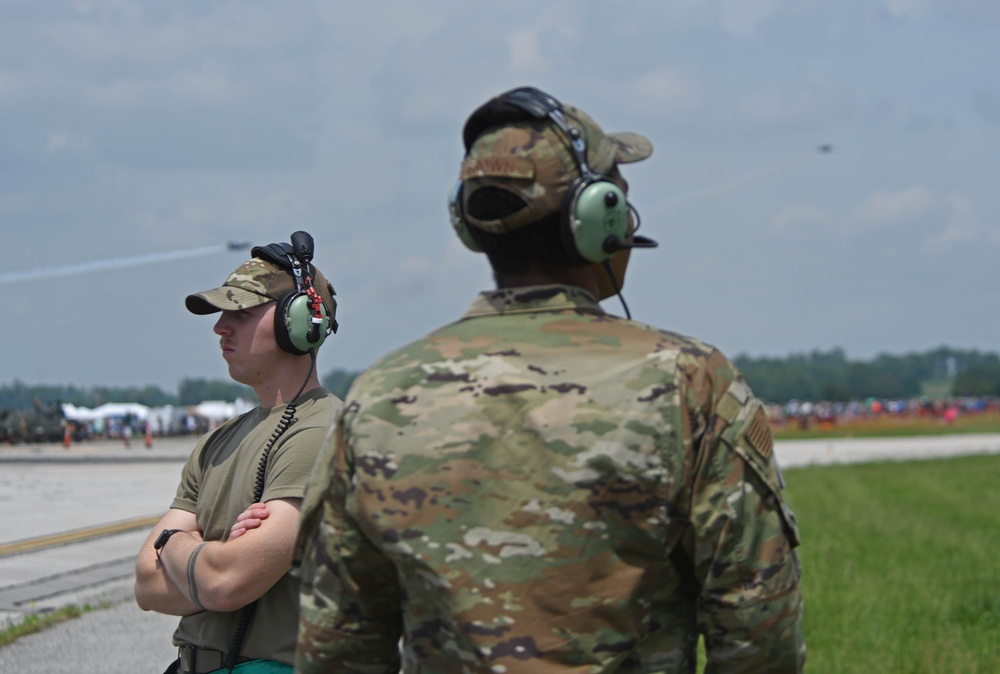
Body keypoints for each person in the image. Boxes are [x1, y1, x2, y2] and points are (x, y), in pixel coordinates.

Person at [294, 88, 805, 673]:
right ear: (598, 218)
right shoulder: (691, 382)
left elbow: (340, 642)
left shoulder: (379, 395)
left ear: (468, 225)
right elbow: (758, 626)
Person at [135, 232, 342, 674]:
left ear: (301, 322)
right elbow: (146, 584)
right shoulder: (216, 442)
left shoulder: (322, 431)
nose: (219, 327)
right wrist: (212, 559)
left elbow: (228, 583)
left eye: (241, 313)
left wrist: (175, 543)